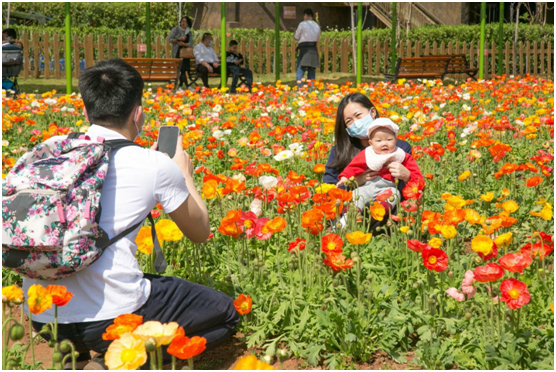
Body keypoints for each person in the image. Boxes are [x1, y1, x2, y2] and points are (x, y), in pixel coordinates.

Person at [24, 59, 239, 369]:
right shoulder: (153, 164)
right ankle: (114, 363)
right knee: (224, 311)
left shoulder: (50, 150)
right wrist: (183, 174)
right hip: (112, 320)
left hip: (44, 316)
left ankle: (75, 356)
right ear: (138, 113)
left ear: (86, 112)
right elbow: (200, 232)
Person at [323, 92, 413, 196]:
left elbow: (412, 190)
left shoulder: (400, 148)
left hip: (391, 207)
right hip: (351, 208)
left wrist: (407, 176)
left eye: (358, 115)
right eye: (349, 121)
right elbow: (328, 188)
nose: (356, 123)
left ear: (373, 112)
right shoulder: (339, 151)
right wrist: (354, 183)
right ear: (346, 129)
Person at [337, 118, 423, 211]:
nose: (384, 144)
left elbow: (416, 173)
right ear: (371, 143)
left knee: (395, 194)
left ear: (396, 140)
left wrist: (410, 177)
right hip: (368, 186)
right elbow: (354, 166)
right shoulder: (367, 154)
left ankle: (381, 209)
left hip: (388, 188)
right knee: (358, 194)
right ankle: (353, 212)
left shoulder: (401, 155)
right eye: (378, 141)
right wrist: (345, 177)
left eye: (389, 139)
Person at [294, 9, 320, 88]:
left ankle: (299, 88)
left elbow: (296, 37)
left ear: (305, 15)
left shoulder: (302, 24)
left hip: (304, 49)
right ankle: (311, 88)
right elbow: (318, 39)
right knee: (311, 69)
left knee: (300, 69)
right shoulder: (317, 25)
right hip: (313, 48)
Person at [168, 16, 193, 88]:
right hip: (177, 53)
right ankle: (186, 86)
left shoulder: (189, 32)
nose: (183, 23)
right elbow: (170, 39)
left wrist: (184, 44)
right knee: (181, 69)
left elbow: (191, 43)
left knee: (184, 70)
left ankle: (181, 86)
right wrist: (179, 39)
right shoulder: (176, 29)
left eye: (185, 21)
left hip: (186, 54)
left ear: (188, 23)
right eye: (182, 21)